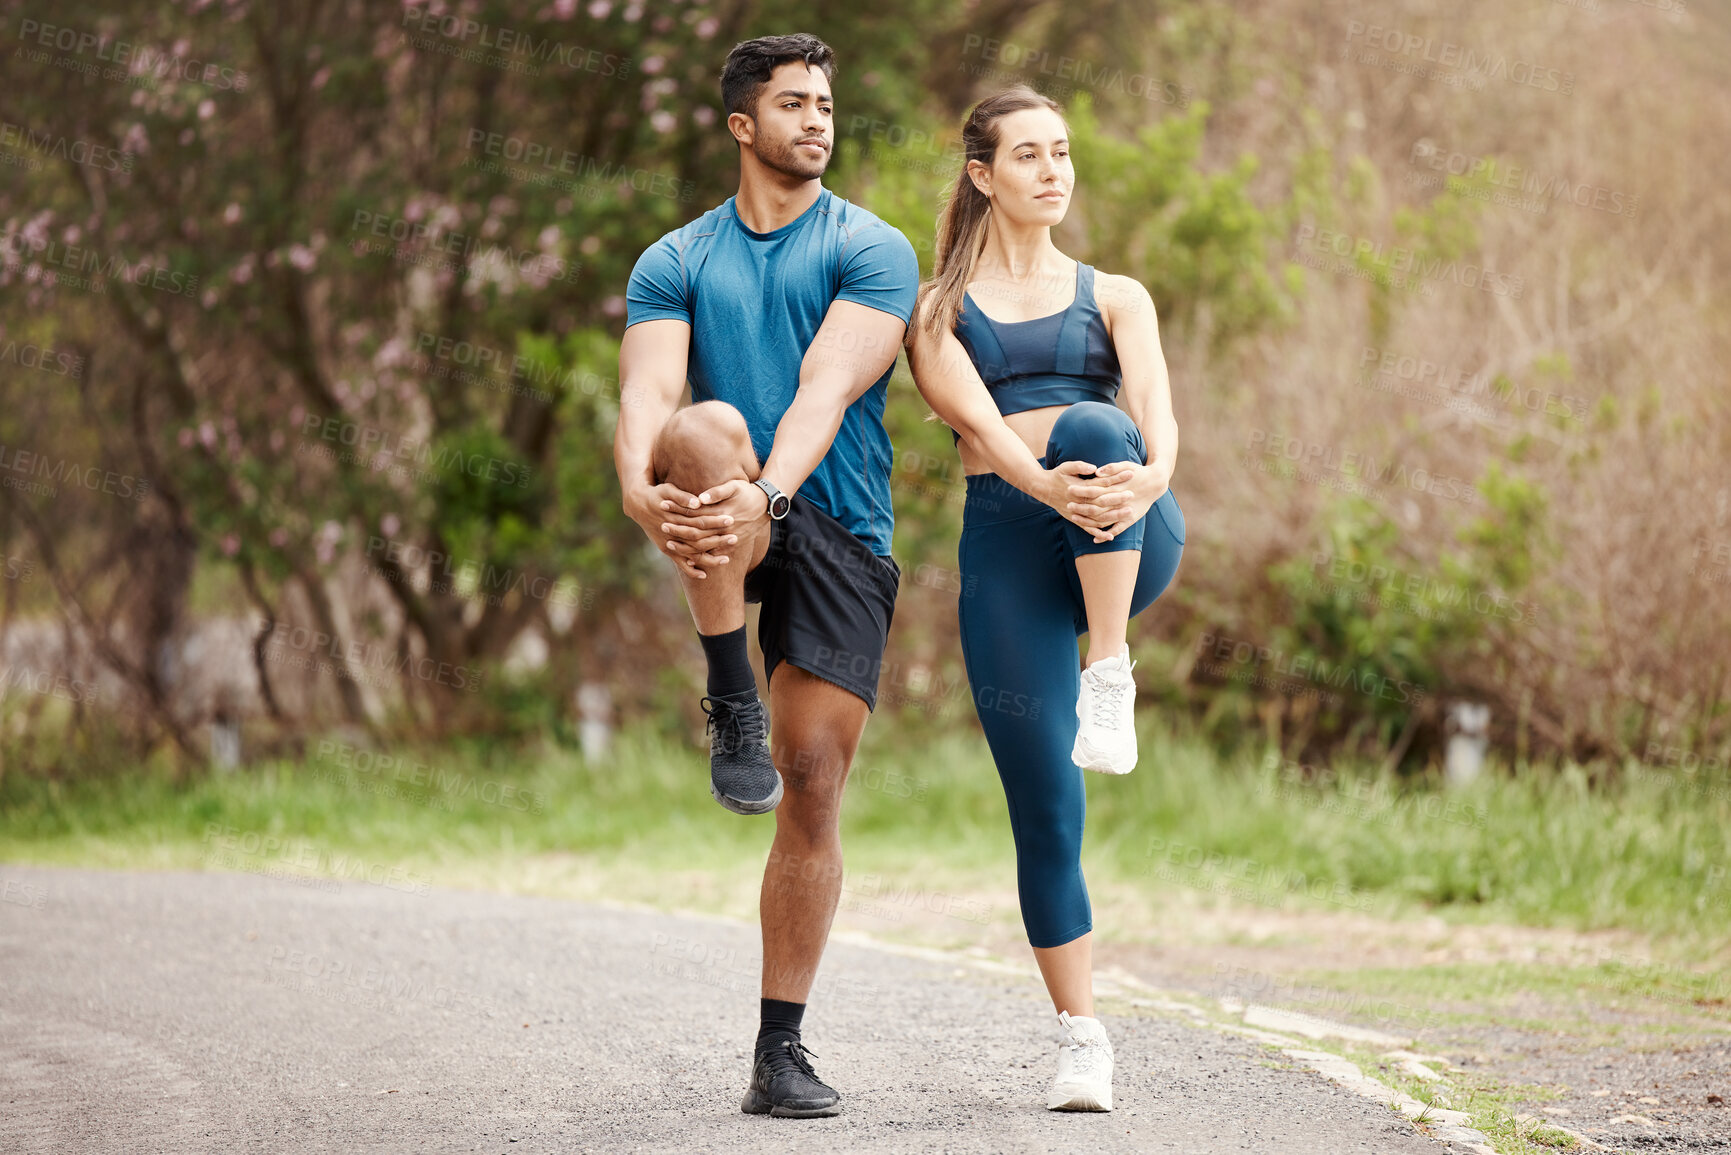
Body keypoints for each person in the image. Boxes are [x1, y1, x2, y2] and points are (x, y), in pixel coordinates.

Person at [613, 33, 918, 1118]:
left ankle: (777, 1050)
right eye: (794, 104)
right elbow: (648, 402)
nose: (818, 120)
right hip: (724, 500)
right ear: (744, 126)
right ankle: (724, 687)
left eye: (827, 103)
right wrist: (635, 485)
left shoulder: (874, 248)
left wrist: (771, 497)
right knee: (703, 426)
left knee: (815, 779)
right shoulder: (677, 258)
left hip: (834, 518)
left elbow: (826, 392)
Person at [906, 86, 1186, 1112]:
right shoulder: (936, 312)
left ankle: (1107, 664)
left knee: (1100, 434)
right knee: (1047, 813)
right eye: (1029, 156)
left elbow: (1155, 433)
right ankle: (1082, 1039)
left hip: (1130, 536)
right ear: (982, 174)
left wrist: (1134, 477)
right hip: (1011, 555)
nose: (1054, 172)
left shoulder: (1119, 296)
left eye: (1063, 153)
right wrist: (1045, 473)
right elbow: (977, 429)